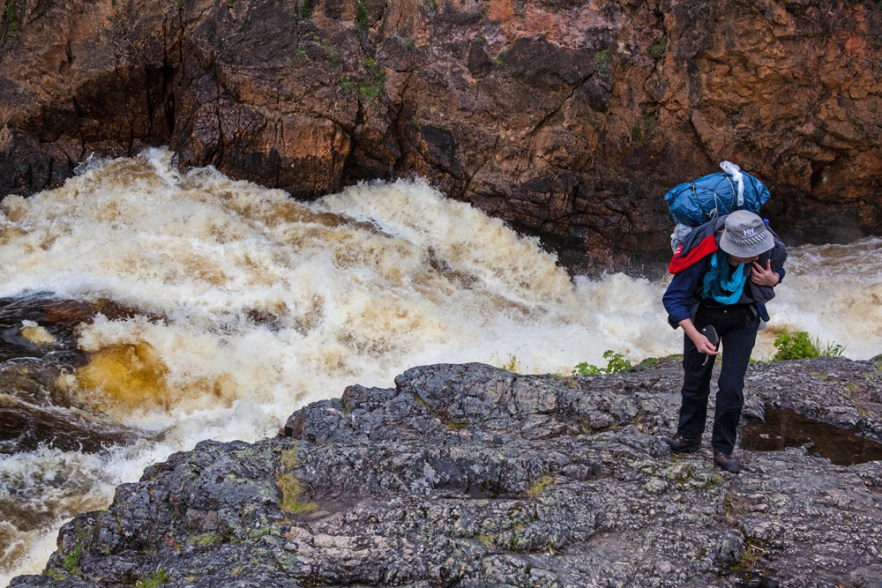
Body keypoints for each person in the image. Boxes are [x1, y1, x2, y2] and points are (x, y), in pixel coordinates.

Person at [662, 210, 786, 473]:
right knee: (696, 380)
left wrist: (773, 279)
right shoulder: (702, 255)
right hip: (705, 317)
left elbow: (779, 270)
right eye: (748, 252)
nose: (755, 255)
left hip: (744, 319)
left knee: (731, 386)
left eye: (757, 250)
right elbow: (673, 299)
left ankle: (723, 449)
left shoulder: (766, 249)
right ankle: (688, 437)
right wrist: (694, 336)